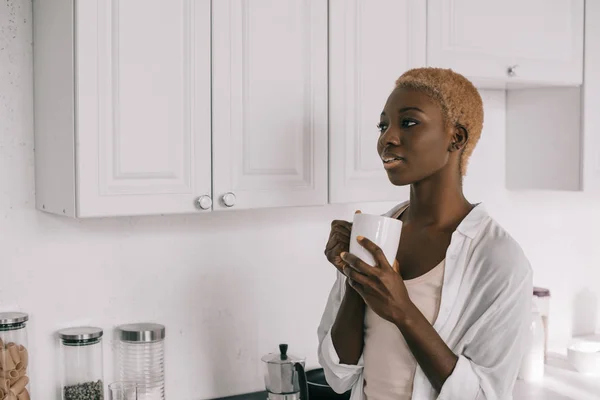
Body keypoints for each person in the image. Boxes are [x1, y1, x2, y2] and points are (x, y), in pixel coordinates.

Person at [318, 67, 532, 400]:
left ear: (455, 138)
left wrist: (401, 310)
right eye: (383, 125)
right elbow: (338, 374)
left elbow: (482, 395)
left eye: (408, 123)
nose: (387, 138)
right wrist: (352, 277)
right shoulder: (375, 233)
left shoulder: (498, 259)